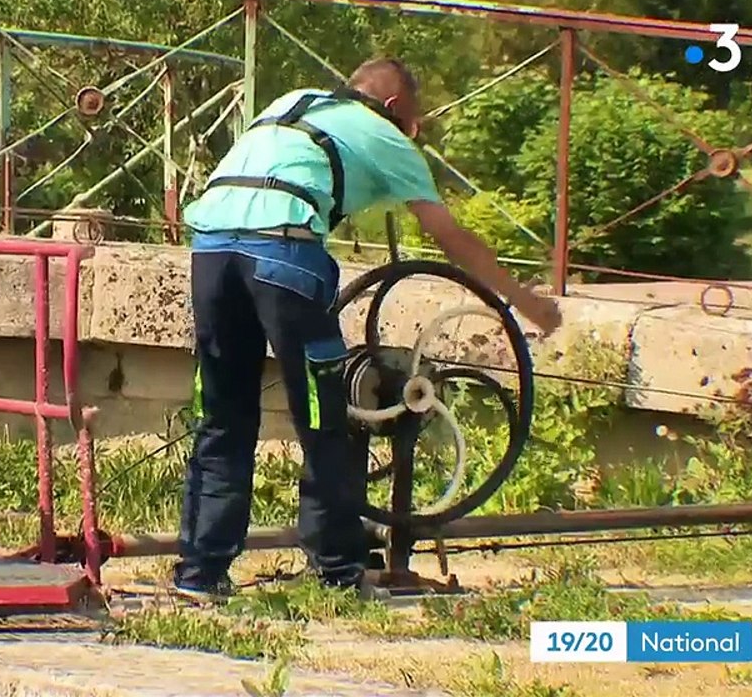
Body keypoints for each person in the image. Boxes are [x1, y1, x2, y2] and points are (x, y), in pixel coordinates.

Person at [173, 57, 563, 602]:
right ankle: (337, 570)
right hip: (284, 253)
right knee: (324, 416)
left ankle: (200, 573)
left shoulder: (292, 102)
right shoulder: (388, 135)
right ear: (399, 108)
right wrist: (525, 301)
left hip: (211, 251)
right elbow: (451, 237)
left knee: (223, 414)